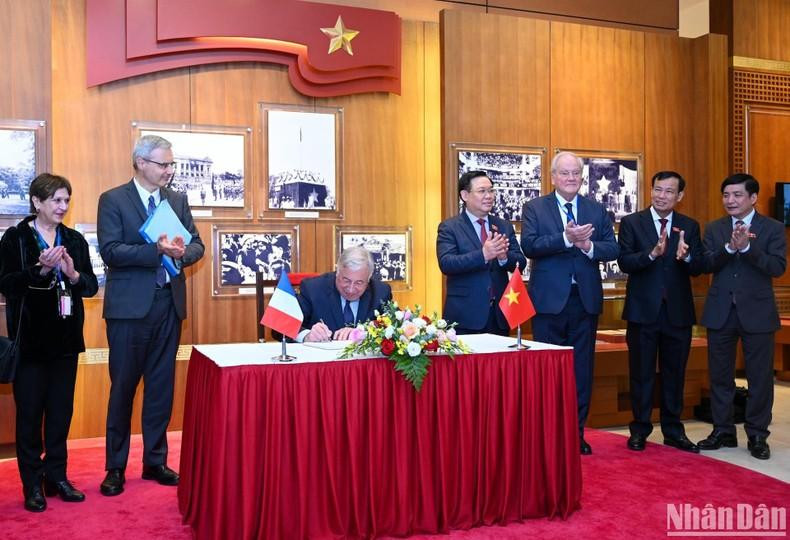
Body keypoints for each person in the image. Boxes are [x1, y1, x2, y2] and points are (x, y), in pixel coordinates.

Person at [97, 135, 204, 495]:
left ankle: (155, 461)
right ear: (141, 163)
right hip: (129, 311)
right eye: (163, 164)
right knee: (123, 389)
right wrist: (155, 250)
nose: (169, 170)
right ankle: (115, 467)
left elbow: (197, 244)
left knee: (160, 388)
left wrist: (182, 253)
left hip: (168, 305)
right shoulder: (113, 199)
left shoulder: (177, 200)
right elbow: (111, 251)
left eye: (172, 164)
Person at [0, 173, 98, 512]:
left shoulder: (74, 239)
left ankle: (57, 476)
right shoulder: (15, 238)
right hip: (29, 343)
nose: (63, 206)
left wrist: (72, 274)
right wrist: (39, 271)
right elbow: (6, 284)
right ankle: (32, 483)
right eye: (56, 200)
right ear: (36, 202)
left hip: (66, 342)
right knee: (29, 416)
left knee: (60, 414)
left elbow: (90, 286)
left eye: (66, 200)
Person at [520, 151, 619, 455]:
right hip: (548, 303)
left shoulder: (595, 209)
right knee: (547, 372)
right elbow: (530, 245)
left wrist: (587, 245)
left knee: (581, 371)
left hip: (584, 302)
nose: (571, 178)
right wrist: (565, 238)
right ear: (553, 177)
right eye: (564, 173)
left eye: (575, 173)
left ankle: (576, 434)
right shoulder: (535, 208)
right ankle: (548, 436)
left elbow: (612, 248)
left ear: (582, 176)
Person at [697, 173, 786, 460]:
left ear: (753, 198)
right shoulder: (715, 228)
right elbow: (706, 264)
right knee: (720, 376)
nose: (730, 200)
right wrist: (729, 248)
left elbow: (777, 267)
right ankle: (723, 430)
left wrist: (747, 248)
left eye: (737, 195)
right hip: (720, 311)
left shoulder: (772, 228)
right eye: (726, 195)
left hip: (758, 313)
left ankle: (757, 434)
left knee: (760, 378)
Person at [617, 171, 704, 453]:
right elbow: (624, 262)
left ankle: (673, 430)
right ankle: (640, 429)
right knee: (640, 373)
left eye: (668, 191)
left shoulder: (689, 226)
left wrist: (686, 256)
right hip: (643, 312)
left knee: (674, 374)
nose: (661, 196)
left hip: (677, 313)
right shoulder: (632, 222)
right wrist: (652, 254)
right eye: (657, 189)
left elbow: (699, 267)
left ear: (679, 196)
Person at [437, 170, 526, 335]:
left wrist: (504, 258)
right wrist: (483, 255)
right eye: (482, 191)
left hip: (499, 315)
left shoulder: (503, 226)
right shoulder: (450, 227)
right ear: (464, 195)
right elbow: (447, 263)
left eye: (491, 190)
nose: (489, 196)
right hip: (465, 315)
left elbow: (521, 263)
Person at [296, 246, 392, 342]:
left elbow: (395, 326)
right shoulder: (313, 289)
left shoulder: (380, 292)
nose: (351, 289)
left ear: (368, 279)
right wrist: (307, 336)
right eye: (346, 280)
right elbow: (289, 326)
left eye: (359, 283)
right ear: (337, 272)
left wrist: (363, 332)